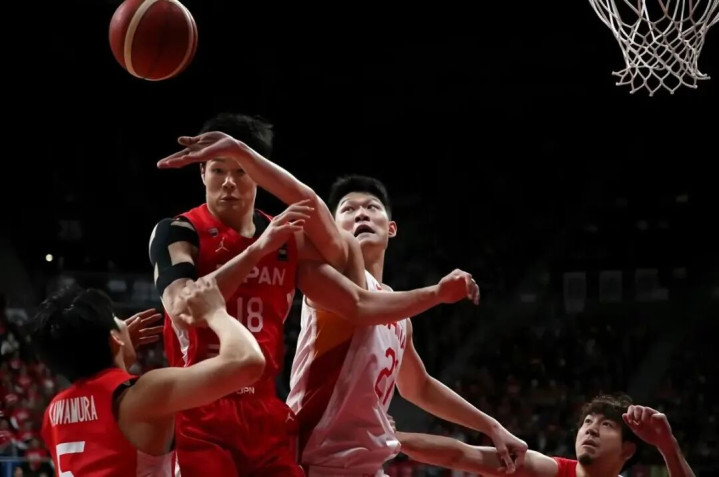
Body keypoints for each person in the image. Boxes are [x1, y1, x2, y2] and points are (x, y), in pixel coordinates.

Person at [156, 127, 527, 476]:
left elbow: (419, 387)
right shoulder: (334, 276)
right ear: (332, 228)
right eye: (348, 210)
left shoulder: (399, 310)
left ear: (392, 227)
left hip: (356, 458)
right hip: (318, 457)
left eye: (372, 207)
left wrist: (491, 426)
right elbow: (357, 299)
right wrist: (437, 294)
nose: (361, 213)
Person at [33, 277, 266, 476]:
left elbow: (105, 441)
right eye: (118, 321)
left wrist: (118, 353)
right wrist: (216, 311)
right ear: (114, 340)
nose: (126, 324)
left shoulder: (53, 412)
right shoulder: (144, 396)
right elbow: (248, 362)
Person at [396, 393, 696, 477]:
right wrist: (390, 438)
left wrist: (668, 446)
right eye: (587, 422)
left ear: (627, 449)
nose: (591, 428)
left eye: (606, 425)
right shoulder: (546, 471)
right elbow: (461, 455)